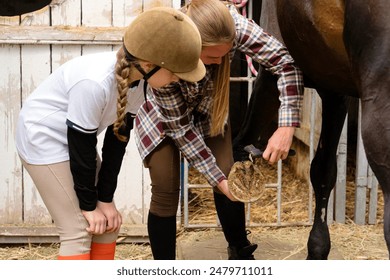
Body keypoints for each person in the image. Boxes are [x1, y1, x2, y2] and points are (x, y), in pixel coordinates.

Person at [15, 6, 205, 260]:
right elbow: (81, 144)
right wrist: (89, 205)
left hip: (75, 141)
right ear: (149, 64)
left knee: (108, 226)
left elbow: (116, 142)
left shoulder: (139, 83)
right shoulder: (94, 83)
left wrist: (105, 199)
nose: (178, 80)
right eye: (175, 73)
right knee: (79, 230)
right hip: (42, 137)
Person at [134, 0, 304, 260]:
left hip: (212, 107)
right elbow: (181, 130)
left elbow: (285, 62)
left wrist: (287, 124)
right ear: (192, 45)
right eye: (213, 56)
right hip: (166, 117)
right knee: (166, 189)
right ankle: (164, 267)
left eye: (227, 53)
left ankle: (240, 252)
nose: (221, 61)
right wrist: (215, 178)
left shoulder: (235, 27)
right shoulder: (171, 45)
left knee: (229, 174)